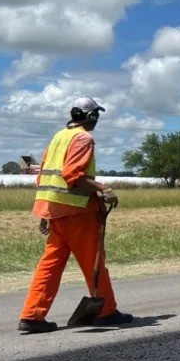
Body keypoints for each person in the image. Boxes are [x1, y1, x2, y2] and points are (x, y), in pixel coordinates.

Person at [18, 97, 131, 333]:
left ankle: (32, 315)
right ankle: (105, 311)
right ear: (90, 116)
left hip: (57, 211)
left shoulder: (59, 137)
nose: (97, 120)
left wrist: (47, 212)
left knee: (50, 264)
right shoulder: (83, 138)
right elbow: (72, 176)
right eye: (96, 116)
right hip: (77, 212)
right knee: (94, 262)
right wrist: (104, 189)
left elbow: (44, 176)